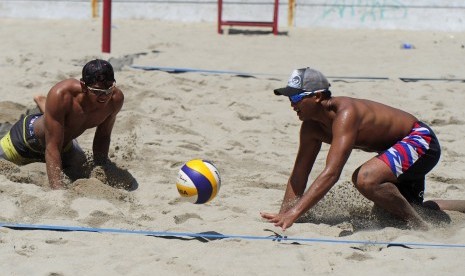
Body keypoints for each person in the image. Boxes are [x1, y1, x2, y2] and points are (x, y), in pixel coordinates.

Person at [260, 67, 465, 230]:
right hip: (398, 151)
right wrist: (284, 214)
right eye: (289, 98)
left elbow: (332, 173)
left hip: (421, 141)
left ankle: (419, 226)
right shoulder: (310, 127)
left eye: (296, 98)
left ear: (317, 96)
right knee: (403, 209)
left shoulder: (346, 113)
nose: (291, 104)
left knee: (365, 178)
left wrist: (293, 214)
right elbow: (299, 174)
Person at [0, 59, 124, 189]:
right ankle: (44, 105)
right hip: (25, 140)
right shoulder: (61, 94)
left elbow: (103, 136)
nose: (104, 96)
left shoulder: (115, 100)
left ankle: (45, 107)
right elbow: (52, 145)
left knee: (82, 169)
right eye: (97, 91)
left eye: (109, 89)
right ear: (83, 86)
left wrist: (102, 168)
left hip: (65, 144)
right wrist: (57, 191)